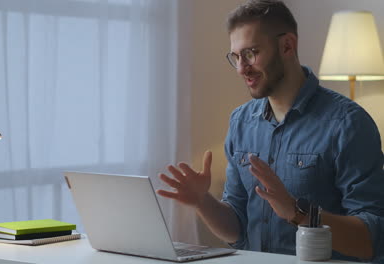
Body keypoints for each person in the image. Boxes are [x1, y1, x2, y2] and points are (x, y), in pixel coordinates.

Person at [156, 0, 384, 262]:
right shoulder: (241, 122)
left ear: (287, 45)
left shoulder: (348, 123)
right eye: (236, 56)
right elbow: (237, 230)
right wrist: (202, 202)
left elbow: (372, 239)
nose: (241, 68)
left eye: (251, 53)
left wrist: (297, 212)